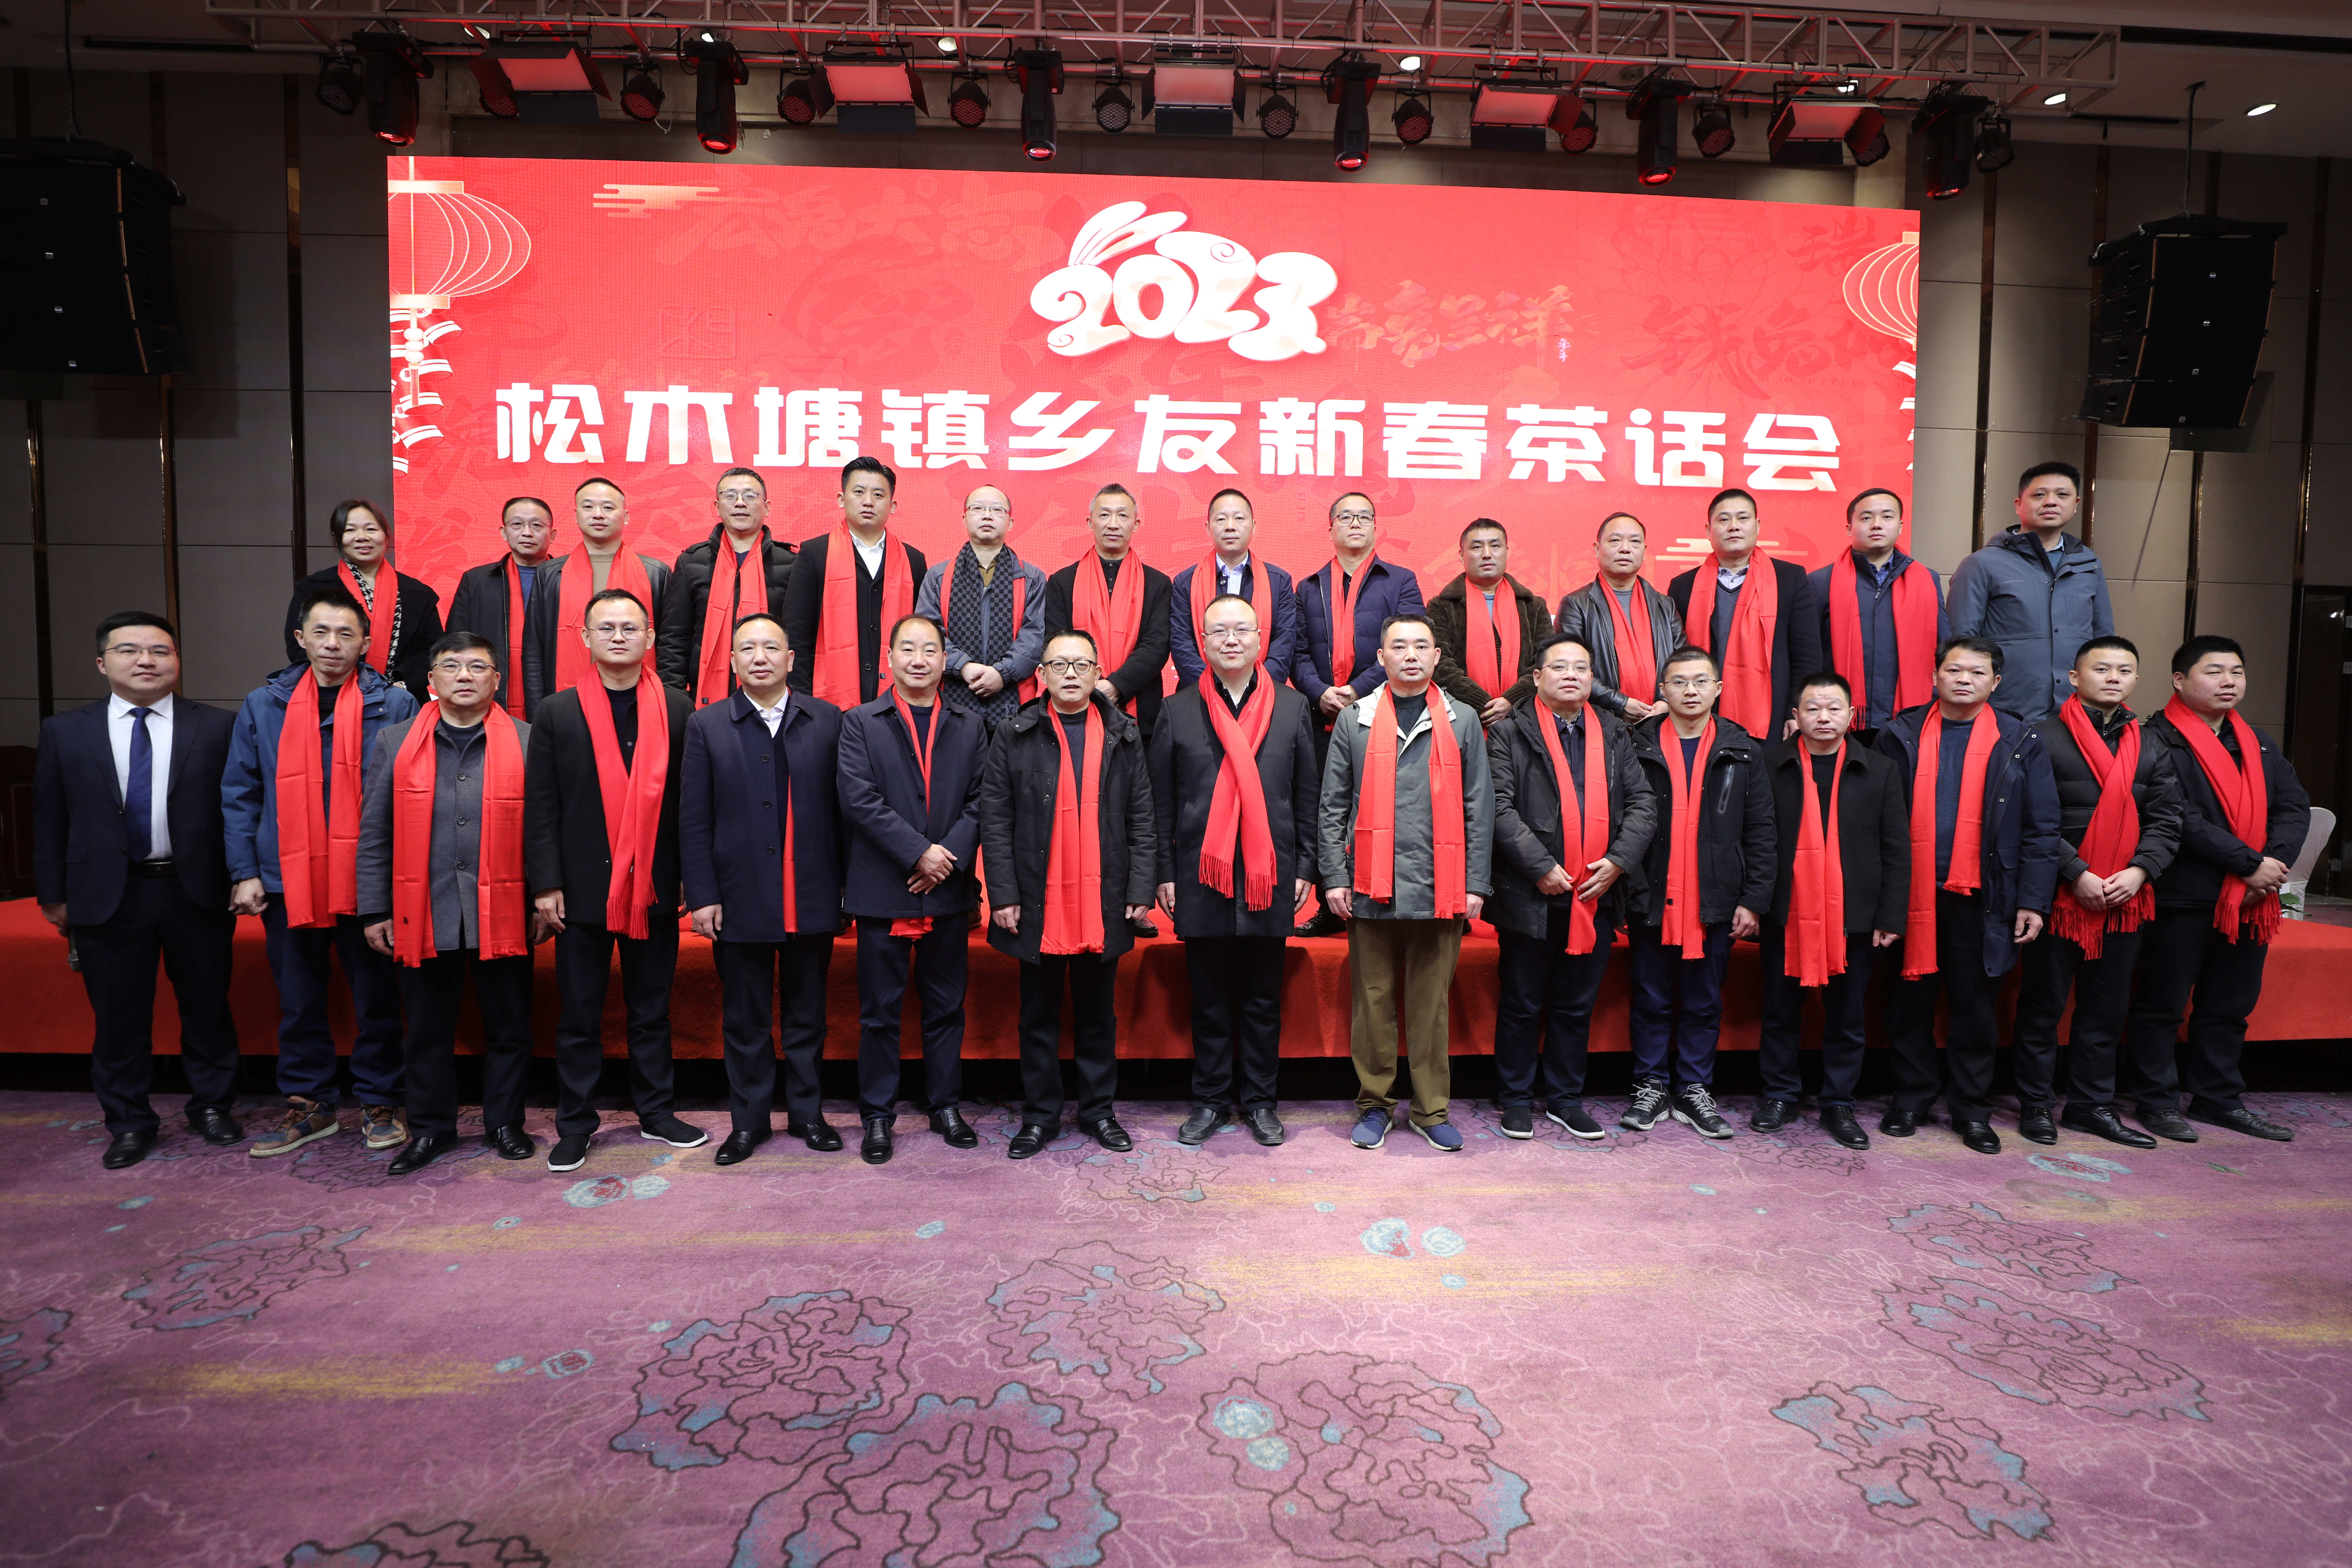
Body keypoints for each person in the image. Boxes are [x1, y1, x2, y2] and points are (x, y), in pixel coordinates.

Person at [34, 612, 241, 1169]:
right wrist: (53, 893)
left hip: (195, 889)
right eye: (129, 651)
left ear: (177, 661)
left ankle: (212, 1106)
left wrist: (244, 874)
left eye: (160, 651)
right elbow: (49, 817)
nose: (146, 660)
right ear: (103, 663)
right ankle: (129, 1122)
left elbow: (239, 808)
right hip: (108, 894)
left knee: (208, 1007)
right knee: (119, 1017)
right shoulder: (65, 731)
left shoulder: (218, 727)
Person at [225, 582, 416, 1157]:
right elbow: (240, 792)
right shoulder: (265, 705)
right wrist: (244, 871)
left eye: (346, 634)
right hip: (287, 876)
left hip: (368, 879)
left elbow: (411, 796)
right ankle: (309, 1103)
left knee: (376, 997)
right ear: (300, 638)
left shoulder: (395, 705)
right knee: (299, 997)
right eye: (322, 633)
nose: (333, 644)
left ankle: (381, 1099)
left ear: (364, 643)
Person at [523, 587, 706, 1173]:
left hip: (654, 886)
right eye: (607, 628)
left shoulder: (677, 708)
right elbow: (541, 805)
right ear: (586, 638)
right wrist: (545, 883)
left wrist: (688, 876)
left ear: (650, 638)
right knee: (579, 1017)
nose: (619, 637)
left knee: (652, 1012)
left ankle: (656, 1112)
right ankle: (575, 1124)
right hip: (580, 892)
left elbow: (690, 805)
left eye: (631, 628)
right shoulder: (557, 712)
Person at [355, 631, 535, 1175]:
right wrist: (375, 909)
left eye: (478, 667)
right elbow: (374, 832)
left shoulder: (527, 740)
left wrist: (542, 901)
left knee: (509, 1027)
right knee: (427, 1030)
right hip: (423, 910)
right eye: (451, 666)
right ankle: (431, 1129)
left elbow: (544, 831)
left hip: (504, 910)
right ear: (431, 680)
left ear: (496, 680)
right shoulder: (396, 741)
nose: (464, 676)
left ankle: (505, 1123)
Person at [1874, 637, 2062, 1154]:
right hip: (1911, 894)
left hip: (1986, 894)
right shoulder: (1899, 734)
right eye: (1954, 670)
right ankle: (1910, 1099)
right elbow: (1874, 821)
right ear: (1935, 675)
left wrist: (2033, 900)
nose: (1964, 680)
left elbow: (2042, 827)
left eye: (1977, 673)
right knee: (1909, 1004)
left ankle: (1971, 1110)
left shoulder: (2020, 739)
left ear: (1995, 683)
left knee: (1976, 1009)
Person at [2122, 635, 2312, 1143]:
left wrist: (2272, 865)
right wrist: (2250, 863)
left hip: (2251, 898)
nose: (2229, 682)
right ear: (2180, 680)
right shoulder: (2155, 739)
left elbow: (2294, 807)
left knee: (2230, 1006)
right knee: (2162, 1005)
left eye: (2237, 672)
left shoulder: (2258, 742)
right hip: (2183, 894)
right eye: (2214, 672)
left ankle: (2218, 1098)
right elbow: (2178, 817)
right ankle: (2157, 1101)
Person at [1319, 614, 1495, 1153]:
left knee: (1430, 1006)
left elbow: (1479, 806)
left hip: (1441, 887)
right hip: (1370, 885)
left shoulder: (1463, 719)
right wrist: (1335, 876)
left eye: (1422, 646)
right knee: (1373, 1004)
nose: (1411, 655)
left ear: (1438, 656)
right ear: (1381, 658)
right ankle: (1374, 1105)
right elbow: (1333, 804)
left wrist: (1475, 883)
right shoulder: (1357, 718)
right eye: (1400, 646)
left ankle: (1430, 1110)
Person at [1150, 595, 1320, 1148]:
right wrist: (1164, 872)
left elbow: (1308, 797)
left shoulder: (1293, 708)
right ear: (1202, 643)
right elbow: (1160, 803)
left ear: (1260, 640)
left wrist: (1307, 866)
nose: (1231, 640)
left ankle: (1261, 1103)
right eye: (1219, 631)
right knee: (1208, 1000)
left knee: (1263, 1001)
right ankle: (1210, 1101)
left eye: (1241, 630)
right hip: (1201, 875)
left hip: (1271, 874)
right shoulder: (1177, 709)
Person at [979, 631, 1157, 1157]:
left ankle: (1099, 1111)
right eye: (1060, 665)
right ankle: (1040, 1117)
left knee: (1098, 1015)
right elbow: (996, 818)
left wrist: (1140, 886)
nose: (1072, 674)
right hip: (1038, 896)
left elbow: (1142, 817)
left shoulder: (1124, 734)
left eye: (1082, 664)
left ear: (1098, 672)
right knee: (1038, 1016)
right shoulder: (1014, 732)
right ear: (1042, 675)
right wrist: (1003, 894)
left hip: (1104, 895)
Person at [680, 613, 847, 1164]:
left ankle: (808, 1115)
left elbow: (845, 812)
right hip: (738, 896)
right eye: (747, 648)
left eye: (771, 648)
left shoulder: (827, 720)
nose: (760, 657)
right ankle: (748, 1124)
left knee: (808, 1015)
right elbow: (693, 818)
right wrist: (703, 895)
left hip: (811, 893)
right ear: (732, 660)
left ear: (791, 659)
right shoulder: (707, 725)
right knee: (745, 1018)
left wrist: (845, 888)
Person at [2009, 637, 2180, 1150]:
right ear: (2074, 677)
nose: (2113, 678)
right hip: (2060, 897)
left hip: (2126, 899)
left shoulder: (2150, 742)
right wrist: (2076, 872)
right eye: (2102, 668)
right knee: (2042, 1009)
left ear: (2136, 680)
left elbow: (2167, 820)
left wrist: (2141, 872)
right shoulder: (2040, 735)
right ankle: (2036, 1106)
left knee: (2105, 1013)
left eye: (2124, 670)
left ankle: (2090, 1106)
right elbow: (2026, 817)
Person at [1483, 634, 1656, 1140]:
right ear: (1537, 677)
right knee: (1521, 1003)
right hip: (1531, 893)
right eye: (1559, 667)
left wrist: (1619, 862)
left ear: (1592, 679)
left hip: (1596, 892)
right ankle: (1516, 1098)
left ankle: (1564, 1098)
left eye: (1581, 668)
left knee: (1576, 1005)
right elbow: (1497, 806)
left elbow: (1643, 803)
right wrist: (1539, 866)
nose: (1571, 676)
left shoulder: (1614, 731)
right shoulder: (1509, 732)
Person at [836, 614, 987, 1165]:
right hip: (885, 886)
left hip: (946, 890)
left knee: (947, 1008)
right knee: (880, 1012)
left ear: (945, 661)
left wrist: (943, 859)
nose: (919, 659)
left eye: (930, 650)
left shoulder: (970, 724)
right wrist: (918, 853)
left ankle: (945, 1105)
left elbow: (983, 799)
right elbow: (858, 799)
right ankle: (877, 1116)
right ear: (890, 659)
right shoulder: (860, 722)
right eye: (908, 649)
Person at [1623, 648, 1774, 1139]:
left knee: (1704, 1000)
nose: (1690, 691)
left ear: (1718, 689)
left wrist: (1753, 899)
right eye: (1680, 682)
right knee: (1650, 998)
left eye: (1700, 681)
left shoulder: (1743, 749)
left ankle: (1694, 1088)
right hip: (1652, 894)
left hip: (1717, 897)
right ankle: (1650, 1085)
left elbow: (1762, 829)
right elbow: (1621, 822)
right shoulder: (1636, 744)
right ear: (1662, 690)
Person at [1754, 673, 1909, 1149]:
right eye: (1813, 709)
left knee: (1847, 1015)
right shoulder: (1768, 764)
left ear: (1852, 716)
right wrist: (1754, 904)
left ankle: (1839, 1102)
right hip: (1786, 910)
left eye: (1834, 708)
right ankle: (1779, 1094)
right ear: (1795, 716)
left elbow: (1897, 848)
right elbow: (1754, 839)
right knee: (1780, 1011)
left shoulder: (1880, 769)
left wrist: (1890, 916)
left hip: (1854, 915)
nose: (1824, 718)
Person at [1292, 493, 1423, 936]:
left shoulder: (1400, 581)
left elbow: (1409, 647)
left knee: (1385, 803)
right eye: (1345, 517)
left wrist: (1356, 690)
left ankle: (1394, 896)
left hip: (1386, 714)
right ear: (1330, 528)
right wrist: (1321, 693)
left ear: (1375, 527)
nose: (1355, 523)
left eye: (1364, 517)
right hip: (1322, 717)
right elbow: (1298, 653)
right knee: (1327, 807)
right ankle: (1331, 902)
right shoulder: (1309, 587)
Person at [1947, 461, 2115, 722]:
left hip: (2077, 709)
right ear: (2018, 505)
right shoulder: (1982, 564)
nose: (2051, 502)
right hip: (2007, 710)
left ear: (2076, 505)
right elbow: (1961, 644)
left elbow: (2104, 640)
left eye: (2062, 495)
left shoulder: (2088, 564)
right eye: (2039, 495)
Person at [1667, 489, 1821, 744]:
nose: (1734, 527)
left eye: (1743, 518)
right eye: (1724, 520)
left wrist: (1796, 710)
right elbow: (1675, 657)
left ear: (1758, 526)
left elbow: (1807, 655)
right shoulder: (1683, 586)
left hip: (1772, 714)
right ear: (1708, 531)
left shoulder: (1790, 579)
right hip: (1699, 714)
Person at [783, 456, 928, 709]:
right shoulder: (815, 554)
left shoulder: (913, 561)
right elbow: (796, 634)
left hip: (899, 703)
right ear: (842, 499)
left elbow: (924, 636)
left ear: (893, 505)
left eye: (878, 495)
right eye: (859, 492)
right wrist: (803, 702)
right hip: (826, 704)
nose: (868, 501)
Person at [524, 476, 672, 712]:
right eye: (588, 507)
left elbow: (669, 646)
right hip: (566, 700)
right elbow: (534, 648)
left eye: (608, 508)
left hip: (640, 699)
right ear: (576, 515)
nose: (598, 515)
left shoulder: (656, 573)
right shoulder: (550, 574)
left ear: (626, 517)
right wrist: (537, 711)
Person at [1808, 488, 1947, 738]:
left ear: (1901, 526)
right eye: (1866, 518)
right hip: (1839, 718)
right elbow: (1808, 653)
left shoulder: (1928, 580)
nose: (1877, 524)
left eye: (1887, 516)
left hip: (1910, 717)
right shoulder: (1820, 582)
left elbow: (1944, 649)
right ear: (1849, 528)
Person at [658, 468, 799, 708]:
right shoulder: (691, 563)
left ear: (767, 507)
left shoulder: (791, 564)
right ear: (717, 506)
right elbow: (674, 639)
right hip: (705, 700)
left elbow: (799, 640)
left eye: (751, 496)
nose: (740, 503)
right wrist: (676, 701)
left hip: (776, 701)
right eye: (730, 496)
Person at [1043, 483, 1174, 736]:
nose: (1113, 524)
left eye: (1123, 516)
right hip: (1076, 705)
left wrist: (1116, 686)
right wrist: (1090, 685)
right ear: (1090, 523)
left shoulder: (1158, 584)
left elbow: (1157, 646)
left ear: (1136, 524)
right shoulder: (1062, 582)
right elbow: (1057, 644)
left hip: (1141, 710)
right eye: (1104, 515)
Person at [915, 484, 1047, 732]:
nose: (987, 515)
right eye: (978, 509)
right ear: (964, 519)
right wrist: (964, 667)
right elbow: (927, 634)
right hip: (951, 695)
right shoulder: (938, 577)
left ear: (1010, 523)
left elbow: (1035, 638)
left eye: (997, 510)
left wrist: (1001, 674)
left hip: (1015, 701)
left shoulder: (1032, 578)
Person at [283, 499, 443, 698]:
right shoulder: (312, 588)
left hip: (401, 699)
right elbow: (298, 646)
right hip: (331, 696)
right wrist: (339, 683)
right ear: (337, 538)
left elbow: (435, 650)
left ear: (386, 535)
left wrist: (401, 686)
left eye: (371, 529)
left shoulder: (419, 593)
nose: (362, 537)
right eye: (351, 530)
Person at [1553, 512, 1684, 726]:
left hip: (1663, 721)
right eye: (1615, 540)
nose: (1625, 549)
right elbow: (1570, 668)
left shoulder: (1665, 605)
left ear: (1645, 552)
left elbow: (1683, 662)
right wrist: (1620, 704)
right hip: (1602, 722)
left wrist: (1666, 701)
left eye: (1635, 542)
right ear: (1597, 549)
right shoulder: (1576, 604)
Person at [1170, 488, 1300, 687]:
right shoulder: (1185, 582)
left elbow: (1284, 645)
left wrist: (1252, 690)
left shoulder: (1279, 582)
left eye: (1239, 519)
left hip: (1264, 692)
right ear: (1208, 528)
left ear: (1254, 526)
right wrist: (1215, 690)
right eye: (1221, 519)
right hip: (1199, 694)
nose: (1230, 527)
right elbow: (1182, 645)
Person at [1431, 519, 1552, 728]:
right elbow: (1439, 663)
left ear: (1507, 552)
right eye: (1477, 547)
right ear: (1462, 555)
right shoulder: (1442, 606)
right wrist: (1482, 703)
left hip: (1526, 719)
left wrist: (1512, 700)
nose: (1487, 554)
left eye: (1495, 546)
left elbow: (1546, 662)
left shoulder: (1533, 606)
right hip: (1463, 720)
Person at [446, 495, 556, 718]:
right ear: (504, 533)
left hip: (556, 691)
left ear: (552, 535)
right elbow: (456, 643)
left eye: (537, 525)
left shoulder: (567, 579)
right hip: (490, 694)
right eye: (517, 524)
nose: (527, 532)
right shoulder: (476, 581)